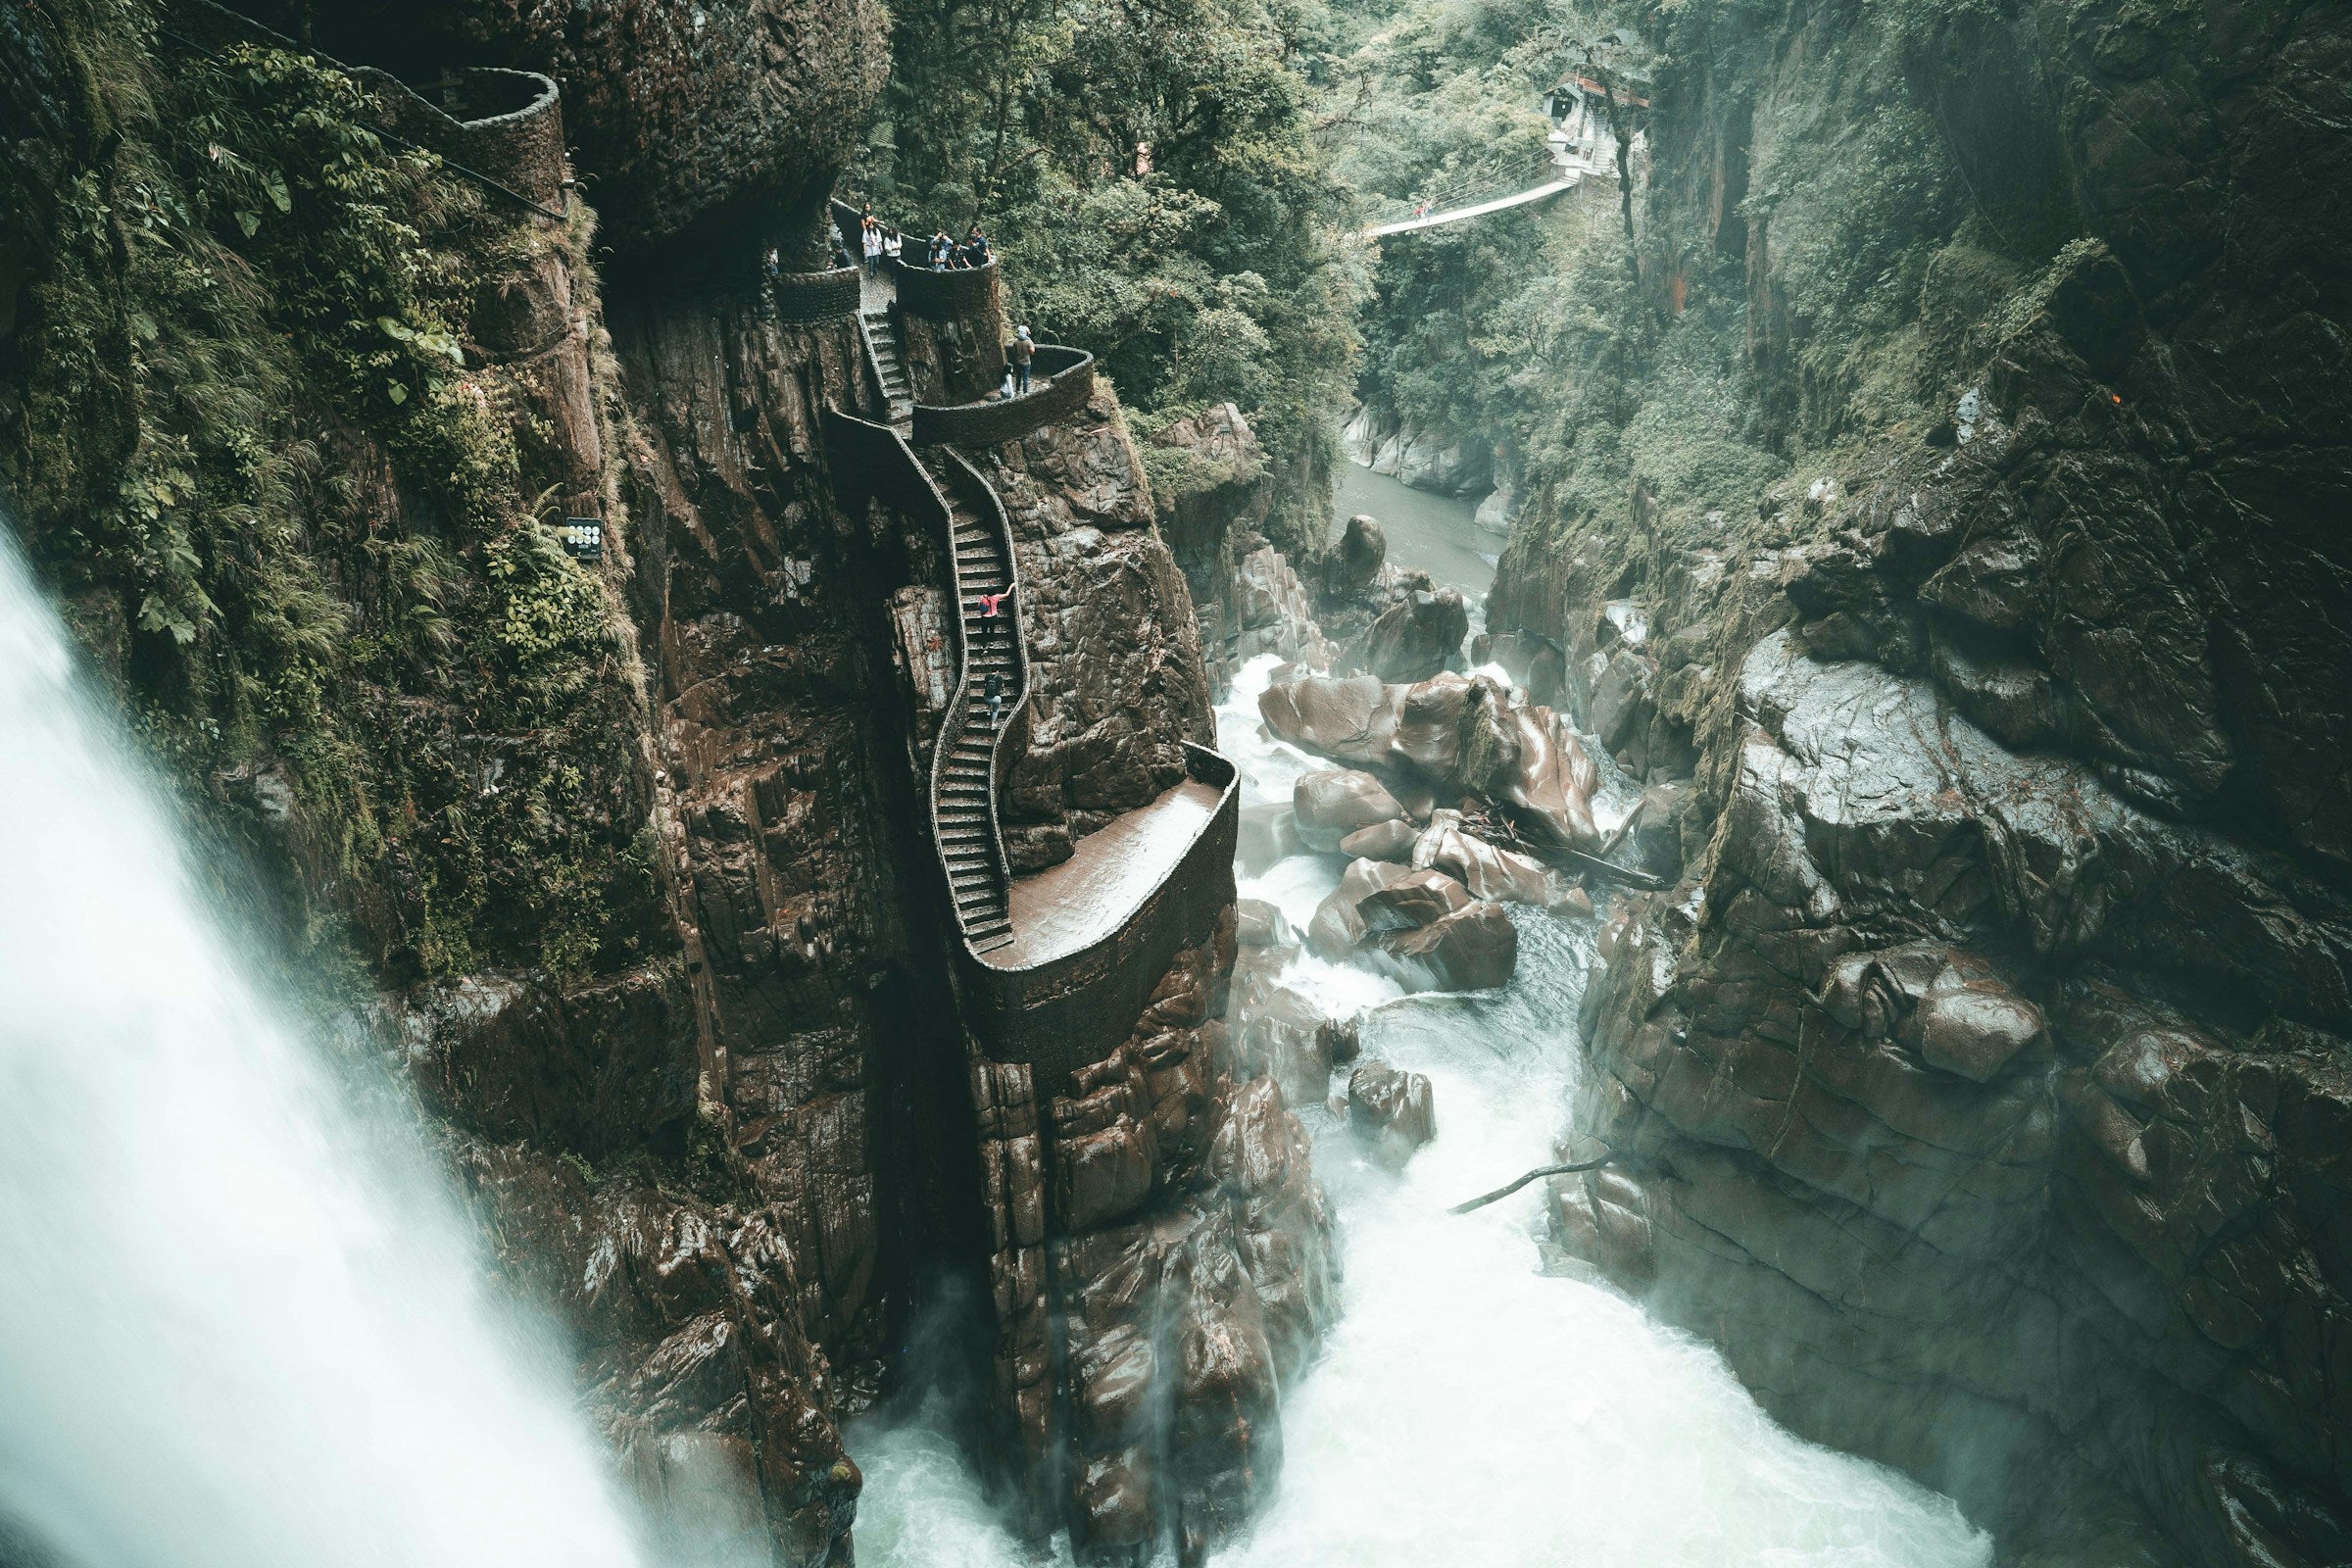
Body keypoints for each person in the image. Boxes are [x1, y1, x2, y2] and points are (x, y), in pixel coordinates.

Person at [1007, 325, 1035, 395]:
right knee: (1025, 378)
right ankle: (1025, 392)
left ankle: (1017, 390)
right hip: (1026, 362)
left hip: (1018, 362)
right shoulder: (1029, 342)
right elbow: (1032, 351)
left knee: (1018, 376)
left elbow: (1013, 352)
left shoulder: (1016, 343)